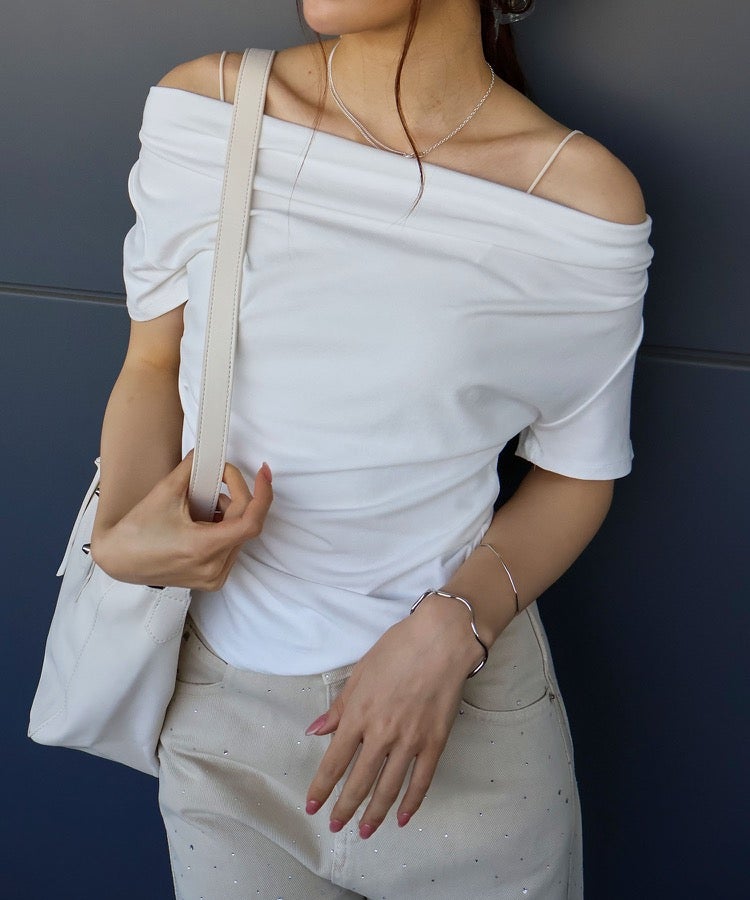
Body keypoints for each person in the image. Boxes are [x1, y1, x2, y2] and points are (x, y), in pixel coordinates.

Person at [90, 1, 652, 897]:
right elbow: (151, 365)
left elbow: (577, 475)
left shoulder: (577, 197)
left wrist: (455, 625)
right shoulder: (208, 110)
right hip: (222, 728)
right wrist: (119, 538)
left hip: (463, 722)